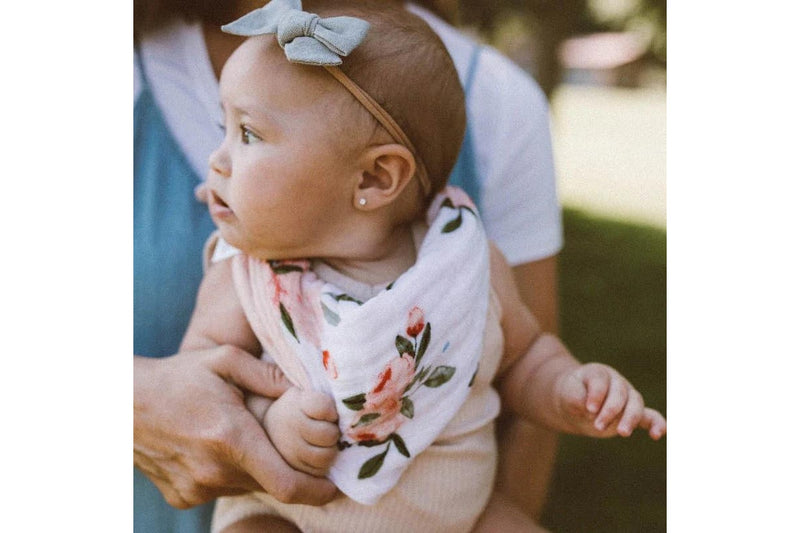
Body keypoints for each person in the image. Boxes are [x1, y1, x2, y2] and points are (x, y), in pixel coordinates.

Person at [174, 1, 667, 531]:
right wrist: (269, 417)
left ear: (374, 179)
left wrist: (568, 388)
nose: (217, 158)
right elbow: (200, 395)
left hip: (459, 517)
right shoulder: (245, 277)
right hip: (288, 514)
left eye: (247, 134)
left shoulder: (465, 264)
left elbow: (525, 357)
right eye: (222, 127)